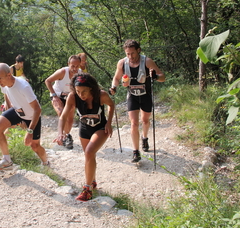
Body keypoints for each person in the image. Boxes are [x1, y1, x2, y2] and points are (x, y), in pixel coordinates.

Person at [54, 73, 114, 201]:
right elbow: (63, 116)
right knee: (89, 155)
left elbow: (112, 105)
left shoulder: (101, 95)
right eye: (78, 91)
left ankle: (87, 189)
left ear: (91, 88)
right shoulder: (73, 97)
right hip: (84, 129)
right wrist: (60, 133)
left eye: (84, 91)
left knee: (89, 152)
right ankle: (92, 182)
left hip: (100, 128)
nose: (81, 95)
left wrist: (109, 123)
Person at [109, 39, 165, 163]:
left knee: (145, 120)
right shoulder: (122, 63)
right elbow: (116, 78)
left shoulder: (147, 61)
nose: (130, 56)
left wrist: (155, 76)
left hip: (146, 95)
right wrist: (113, 87)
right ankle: (136, 151)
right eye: (127, 54)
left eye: (132, 53)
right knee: (134, 123)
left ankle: (144, 138)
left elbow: (163, 77)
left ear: (138, 50)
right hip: (132, 95)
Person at [0, 63, 49, 170]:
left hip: (32, 116)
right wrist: (8, 114)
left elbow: (37, 109)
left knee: (34, 146)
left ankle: (46, 163)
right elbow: (6, 93)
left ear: (9, 75)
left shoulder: (23, 87)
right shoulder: (4, 84)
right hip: (17, 110)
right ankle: (7, 160)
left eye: (0, 78)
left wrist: (30, 131)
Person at [45, 55, 81, 149]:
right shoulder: (62, 72)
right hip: (57, 95)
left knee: (70, 119)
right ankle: (65, 137)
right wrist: (54, 95)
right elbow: (47, 81)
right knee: (61, 113)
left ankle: (66, 134)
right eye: (72, 66)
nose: (75, 68)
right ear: (68, 64)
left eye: (77, 66)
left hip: (70, 96)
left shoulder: (80, 74)